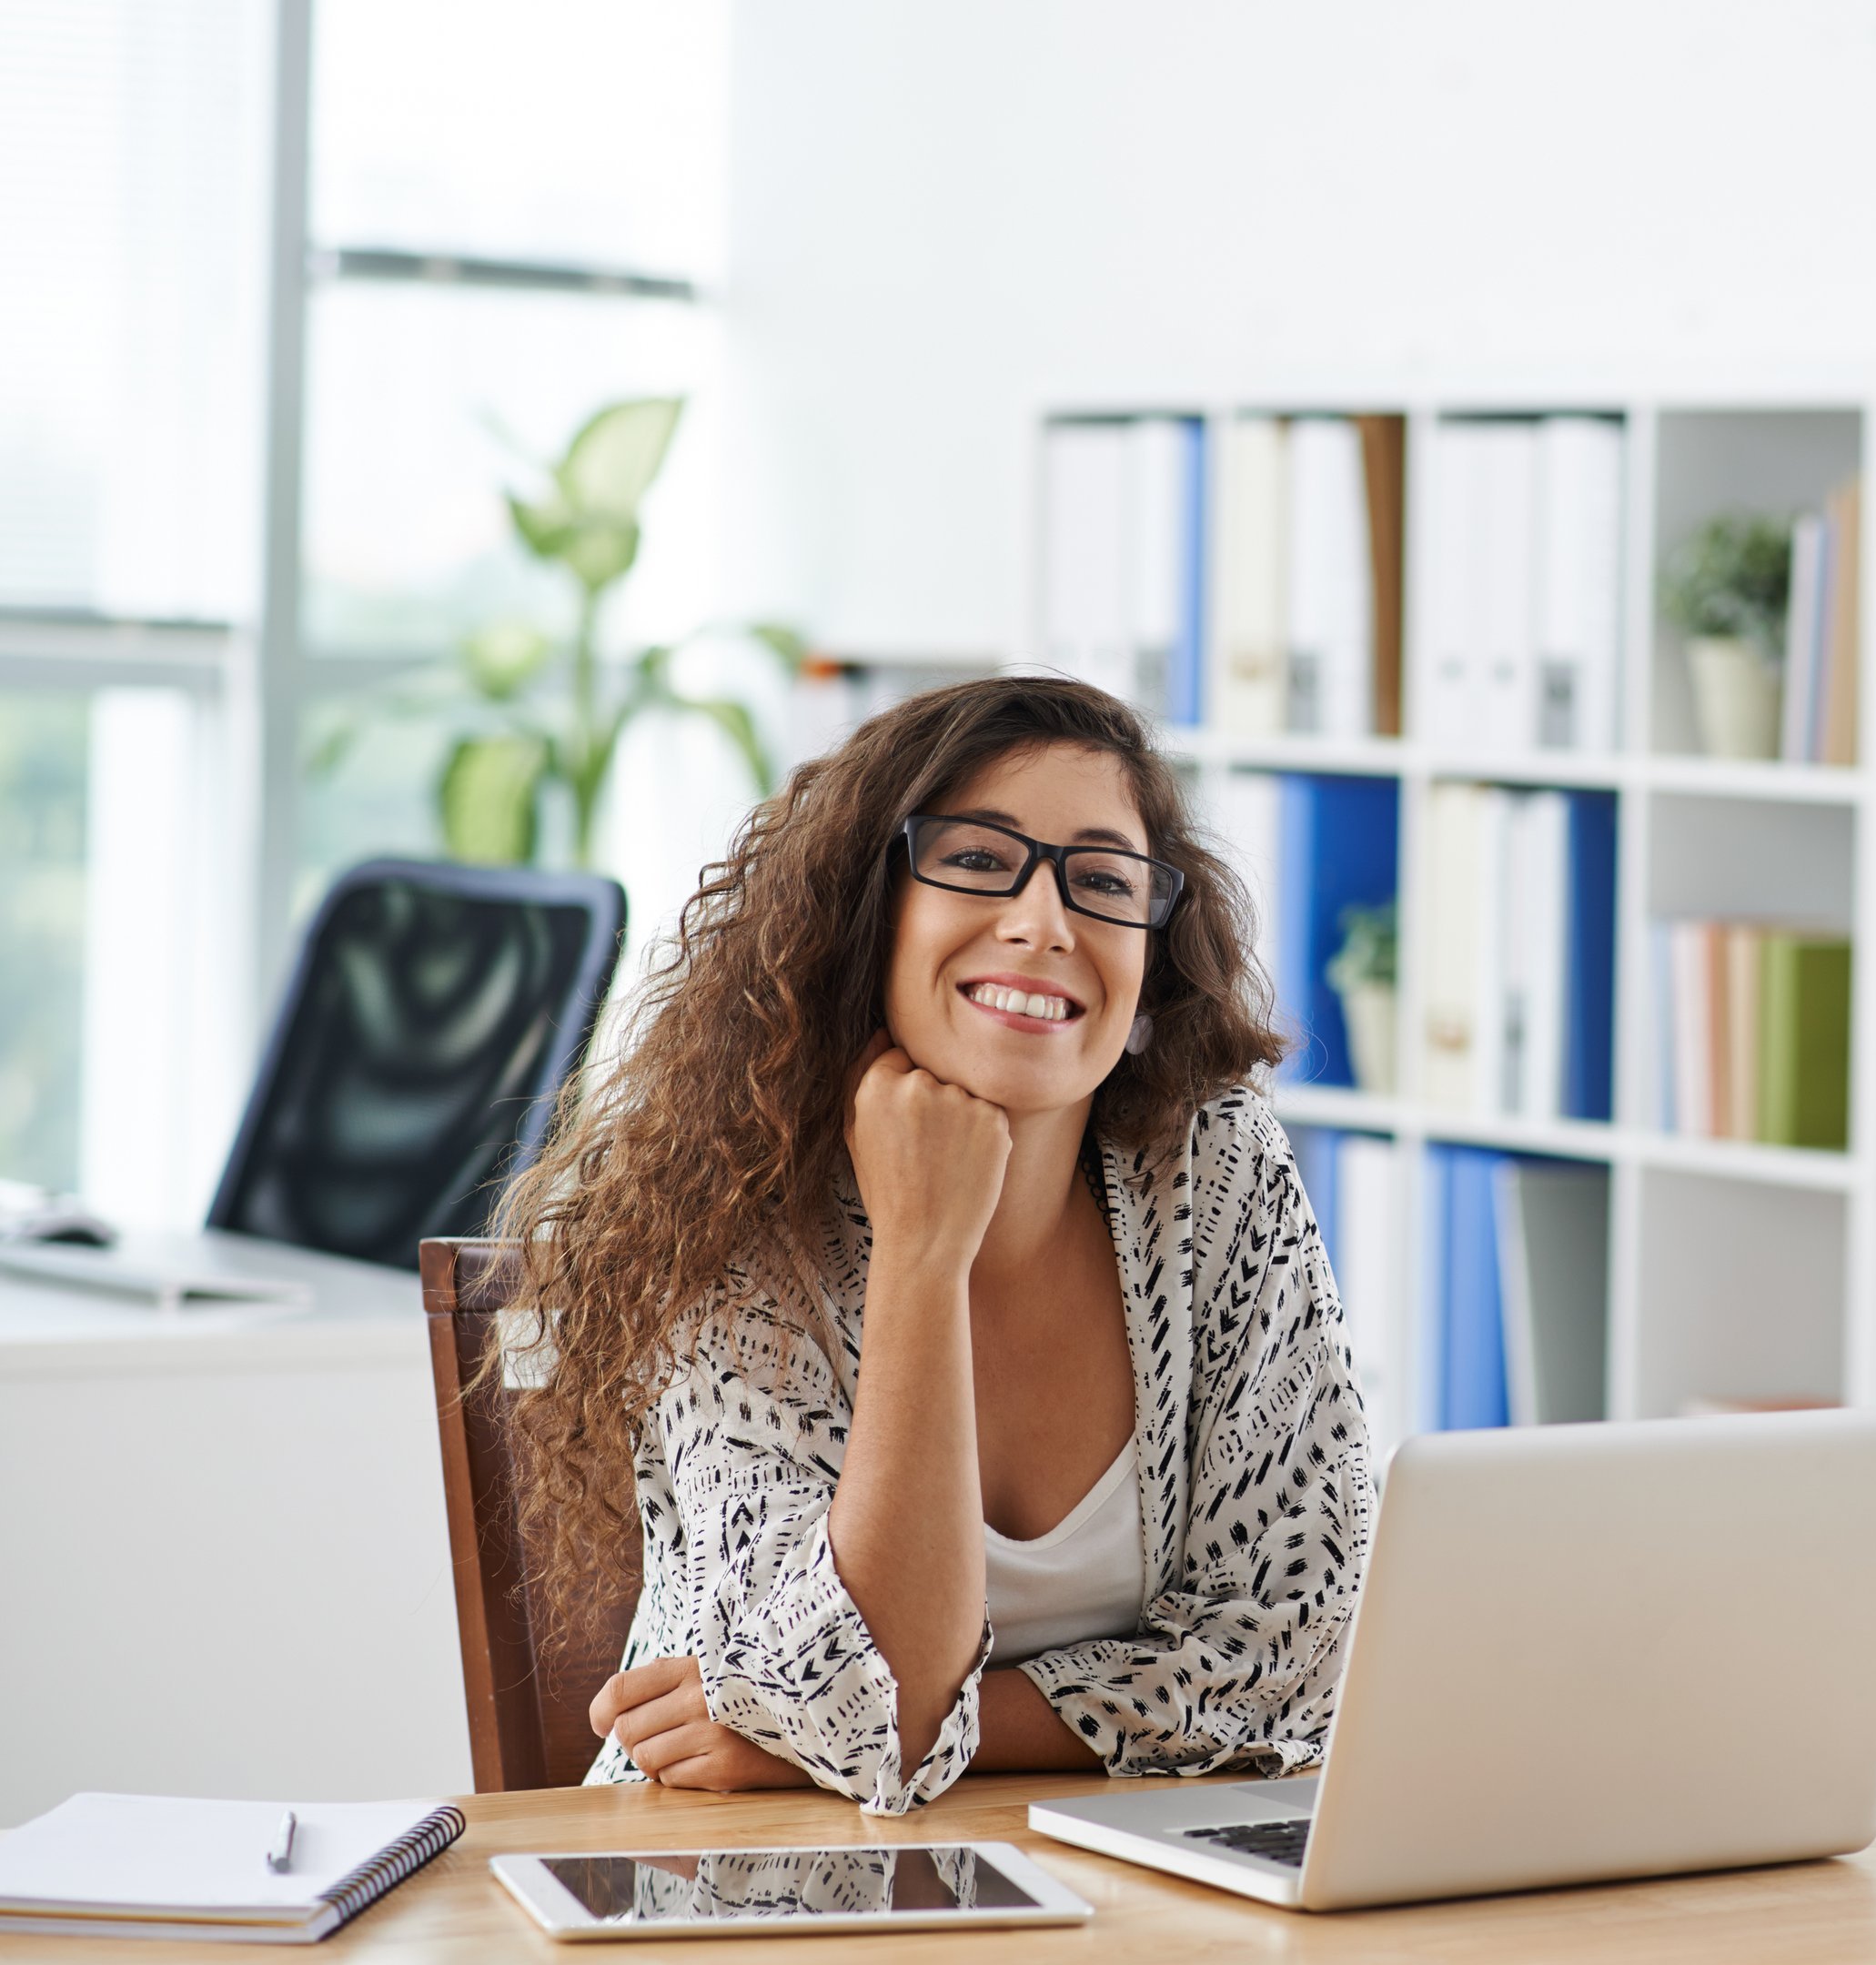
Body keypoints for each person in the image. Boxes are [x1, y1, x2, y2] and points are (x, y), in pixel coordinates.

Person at [491, 675, 1374, 1814]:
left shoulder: (1214, 1167)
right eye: (974, 859)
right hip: (727, 1882)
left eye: (1102, 881)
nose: (1045, 924)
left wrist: (909, 1729)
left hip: (1105, 1882)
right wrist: (922, 1250)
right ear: (872, 914)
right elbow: (864, 1717)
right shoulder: (737, 1207)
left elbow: (1298, 1664)